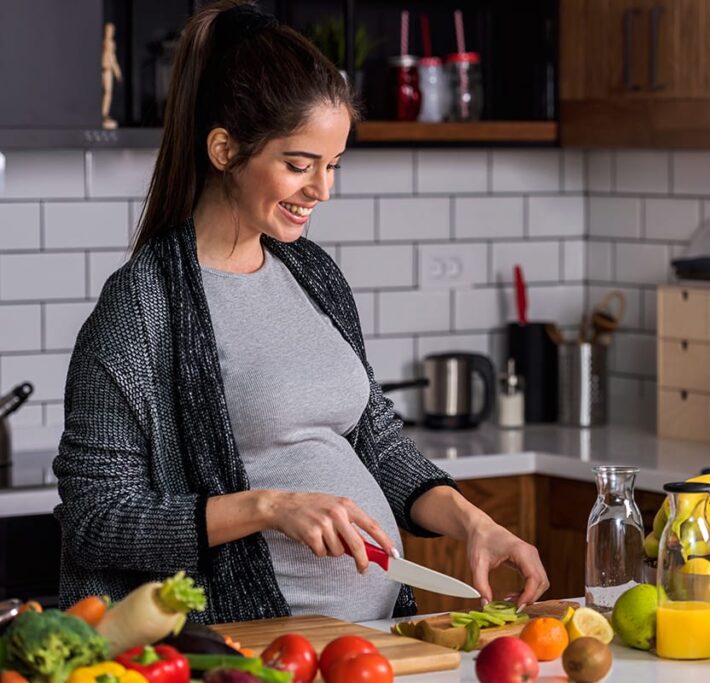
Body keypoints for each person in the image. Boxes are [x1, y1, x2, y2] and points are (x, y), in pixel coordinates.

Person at [53, 0, 548, 624]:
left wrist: (475, 523)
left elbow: (378, 443)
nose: (323, 189)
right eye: (298, 165)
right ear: (225, 150)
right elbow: (95, 520)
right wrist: (269, 508)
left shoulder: (311, 273)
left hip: (370, 636)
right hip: (246, 645)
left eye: (333, 164)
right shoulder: (142, 304)